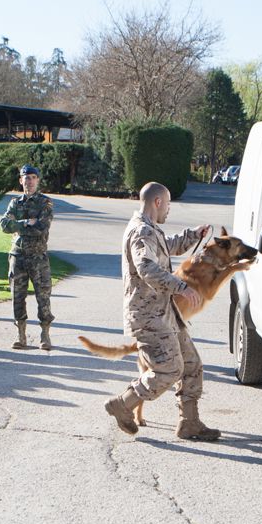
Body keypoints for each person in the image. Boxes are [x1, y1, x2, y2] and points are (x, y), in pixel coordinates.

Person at [102, 181, 219, 442]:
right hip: (149, 317)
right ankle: (123, 403)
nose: (168, 210)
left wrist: (193, 235)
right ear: (157, 202)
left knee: (191, 365)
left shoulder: (150, 229)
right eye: (167, 204)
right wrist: (180, 287)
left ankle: (189, 423)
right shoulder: (142, 232)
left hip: (164, 314)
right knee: (168, 370)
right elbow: (146, 267)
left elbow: (166, 247)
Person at [0, 163, 54, 350]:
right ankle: (20, 334)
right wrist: (26, 222)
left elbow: (41, 228)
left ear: (38, 180)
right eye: (26, 178)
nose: (29, 181)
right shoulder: (15, 203)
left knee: (43, 296)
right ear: (20, 180)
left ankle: (45, 334)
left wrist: (20, 226)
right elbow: (5, 225)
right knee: (17, 296)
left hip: (38, 257)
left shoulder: (45, 203)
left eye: (32, 178)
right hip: (18, 257)